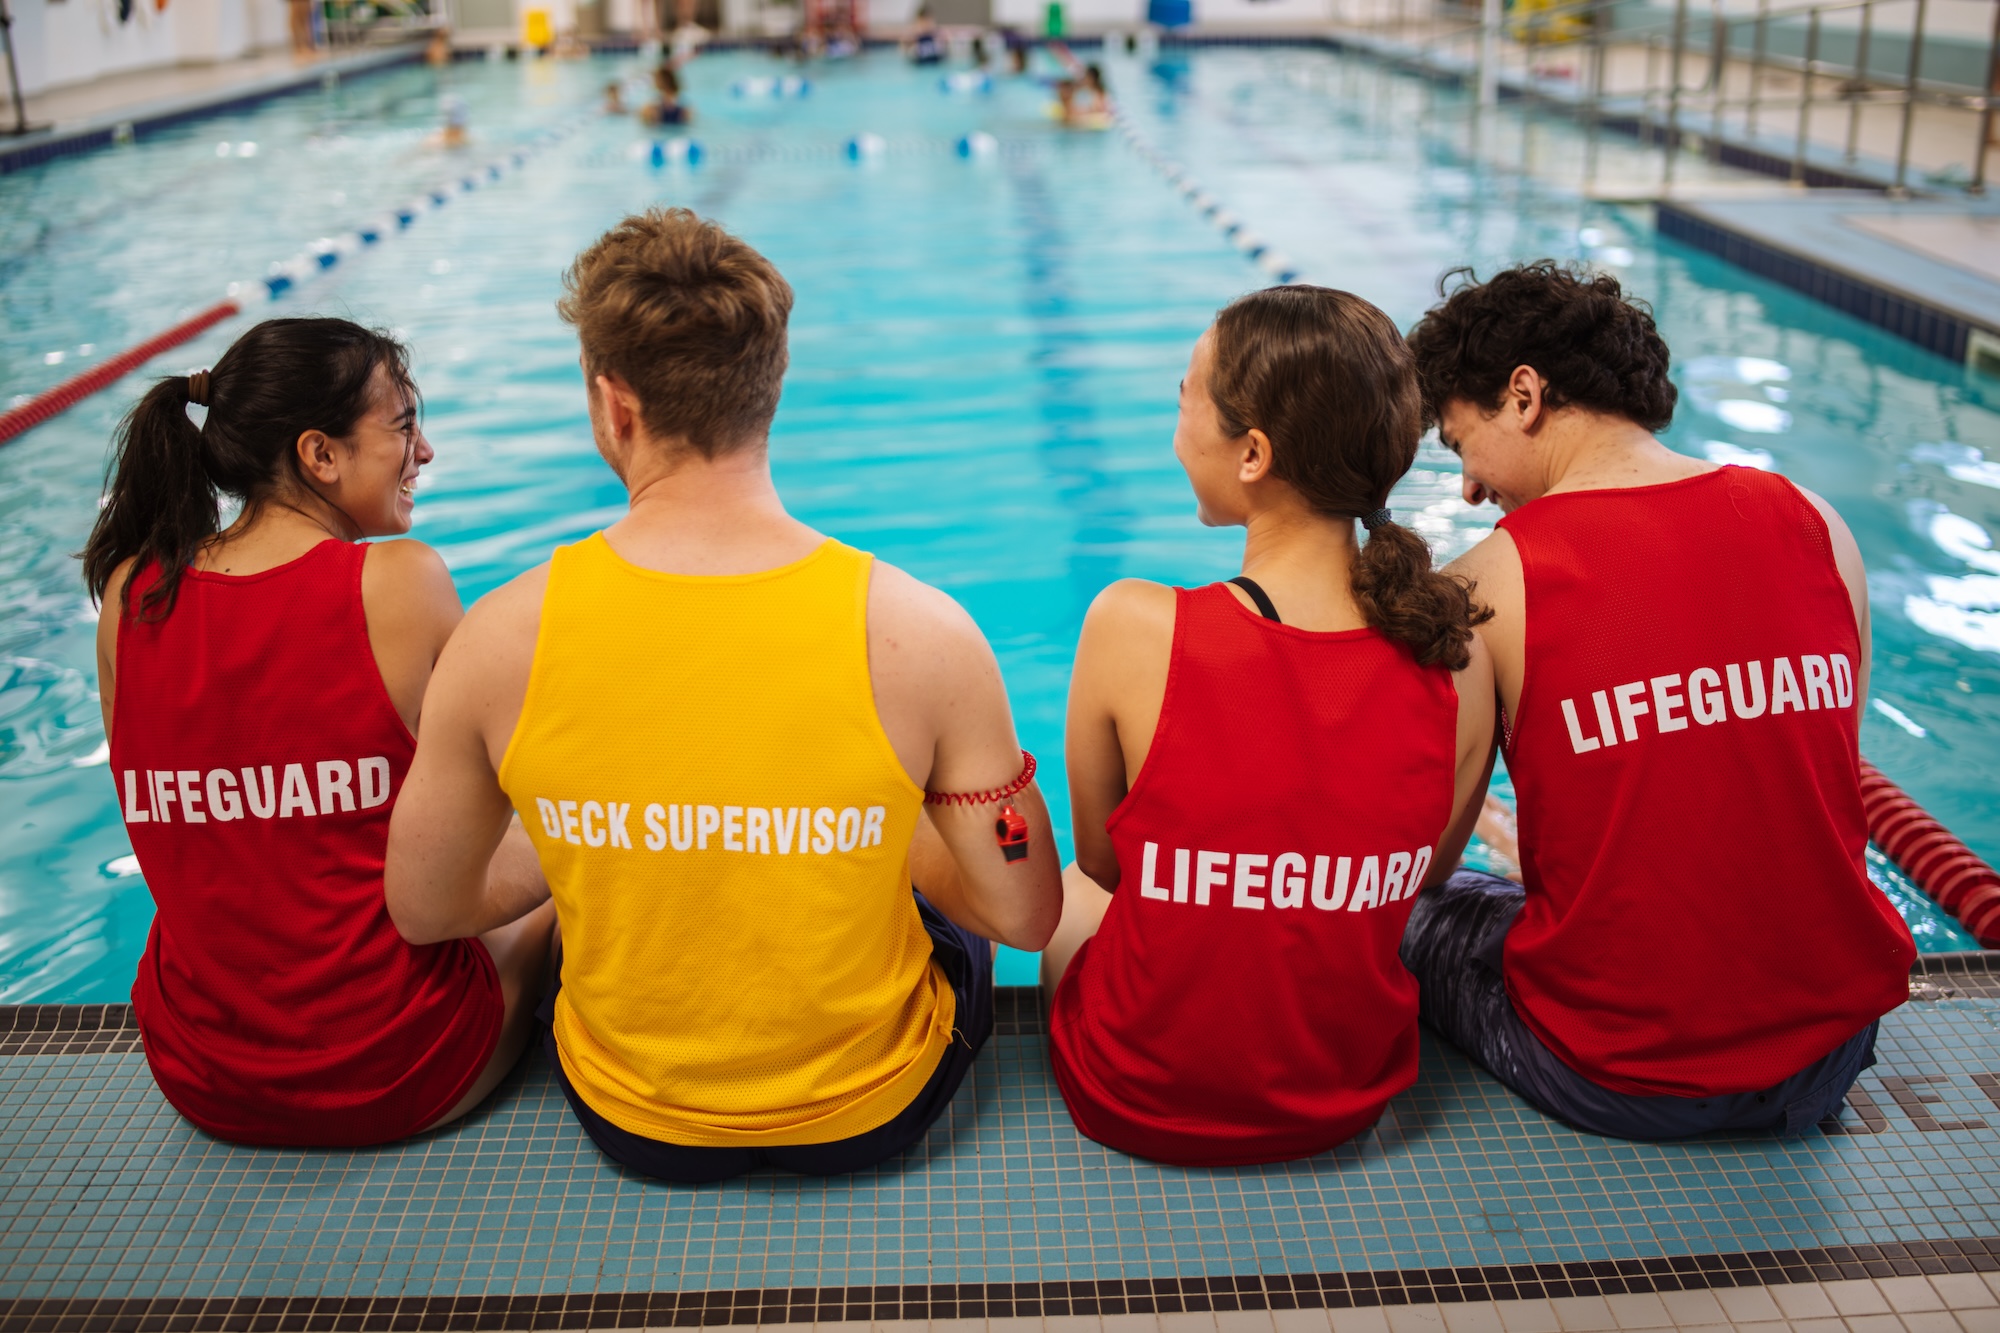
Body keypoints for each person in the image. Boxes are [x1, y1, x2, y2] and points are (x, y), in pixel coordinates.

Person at [383, 208, 1065, 1184]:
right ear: (771, 388)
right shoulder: (922, 632)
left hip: (635, 1121)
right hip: (873, 1109)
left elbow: (425, 906)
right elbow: (1026, 909)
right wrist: (881, 829)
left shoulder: (501, 636)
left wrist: (603, 832)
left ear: (612, 404)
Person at [1400, 262, 1916, 1140]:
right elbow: (1811, 796)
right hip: (1831, 1052)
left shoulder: (1489, 580)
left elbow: (1428, 862)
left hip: (1617, 1071)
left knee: (1416, 911)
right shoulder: (1817, 522)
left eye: (1459, 444)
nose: (1470, 490)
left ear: (1524, 395)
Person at [1042, 286, 1496, 1167]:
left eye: (1184, 399)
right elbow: (1424, 875)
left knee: (1073, 888)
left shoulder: (1135, 626)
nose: (1176, 427)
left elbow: (1104, 864)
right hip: (1344, 1099)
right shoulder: (1456, 657)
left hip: (1135, 1096)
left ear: (1252, 452)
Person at [80, 318, 555, 1148]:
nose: (427, 451)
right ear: (319, 455)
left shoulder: (131, 596)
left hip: (203, 1069)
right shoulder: (396, 583)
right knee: (570, 842)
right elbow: (502, 804)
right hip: (399, 1064)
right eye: (404, 426)